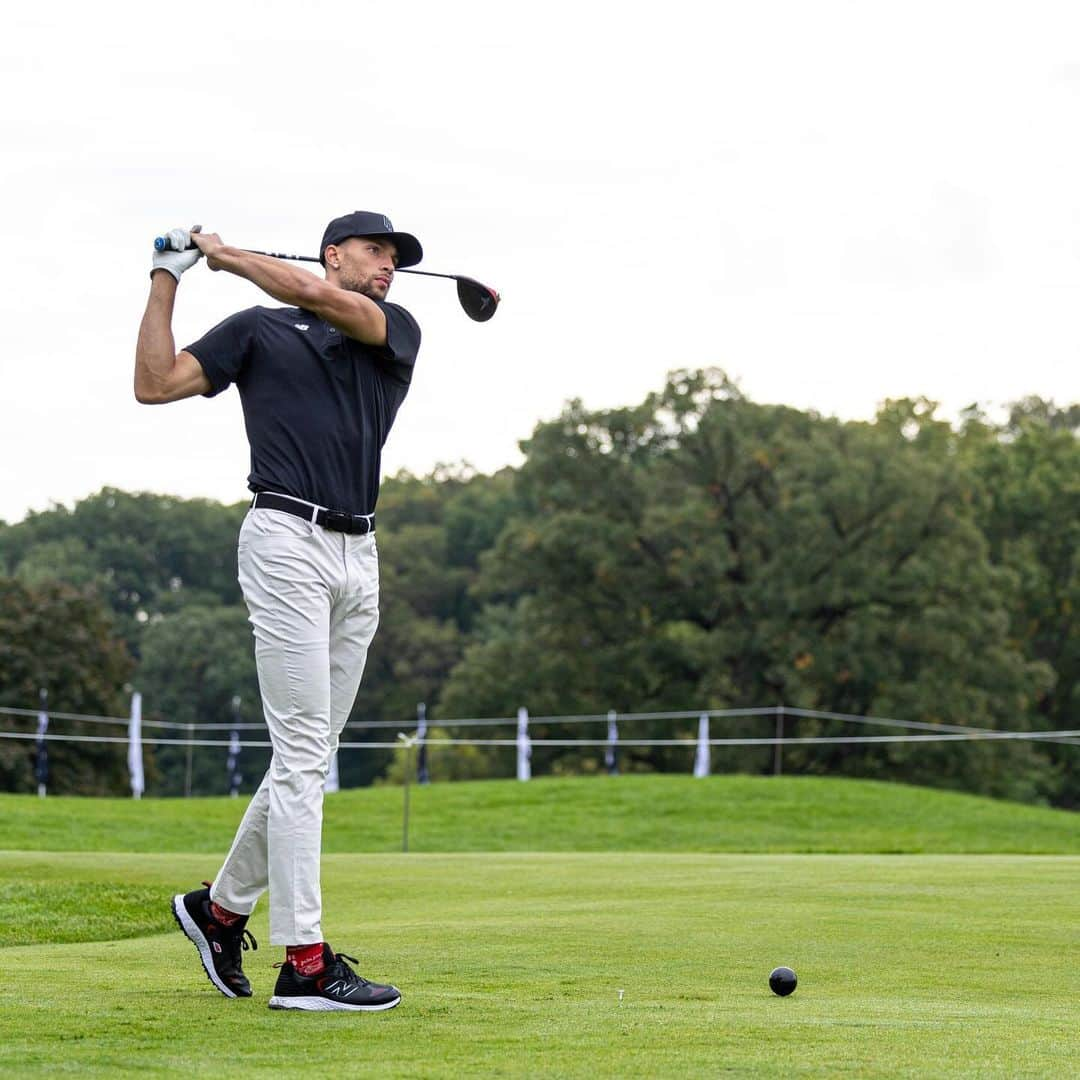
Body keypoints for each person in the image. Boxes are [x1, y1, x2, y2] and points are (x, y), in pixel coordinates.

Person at [134, 211, 423, 1012]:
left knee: (308, 755)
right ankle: (304, 964)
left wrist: (227, 255)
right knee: (301, 755)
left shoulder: (392, 329)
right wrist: (168, 277)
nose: (388, 266)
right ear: (336, 252)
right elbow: (154, 384)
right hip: (282, 538)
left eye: (395, 257)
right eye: (375, 251)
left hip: (358, 554)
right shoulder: (257, 331)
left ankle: (217, 910)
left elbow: (307, 291)